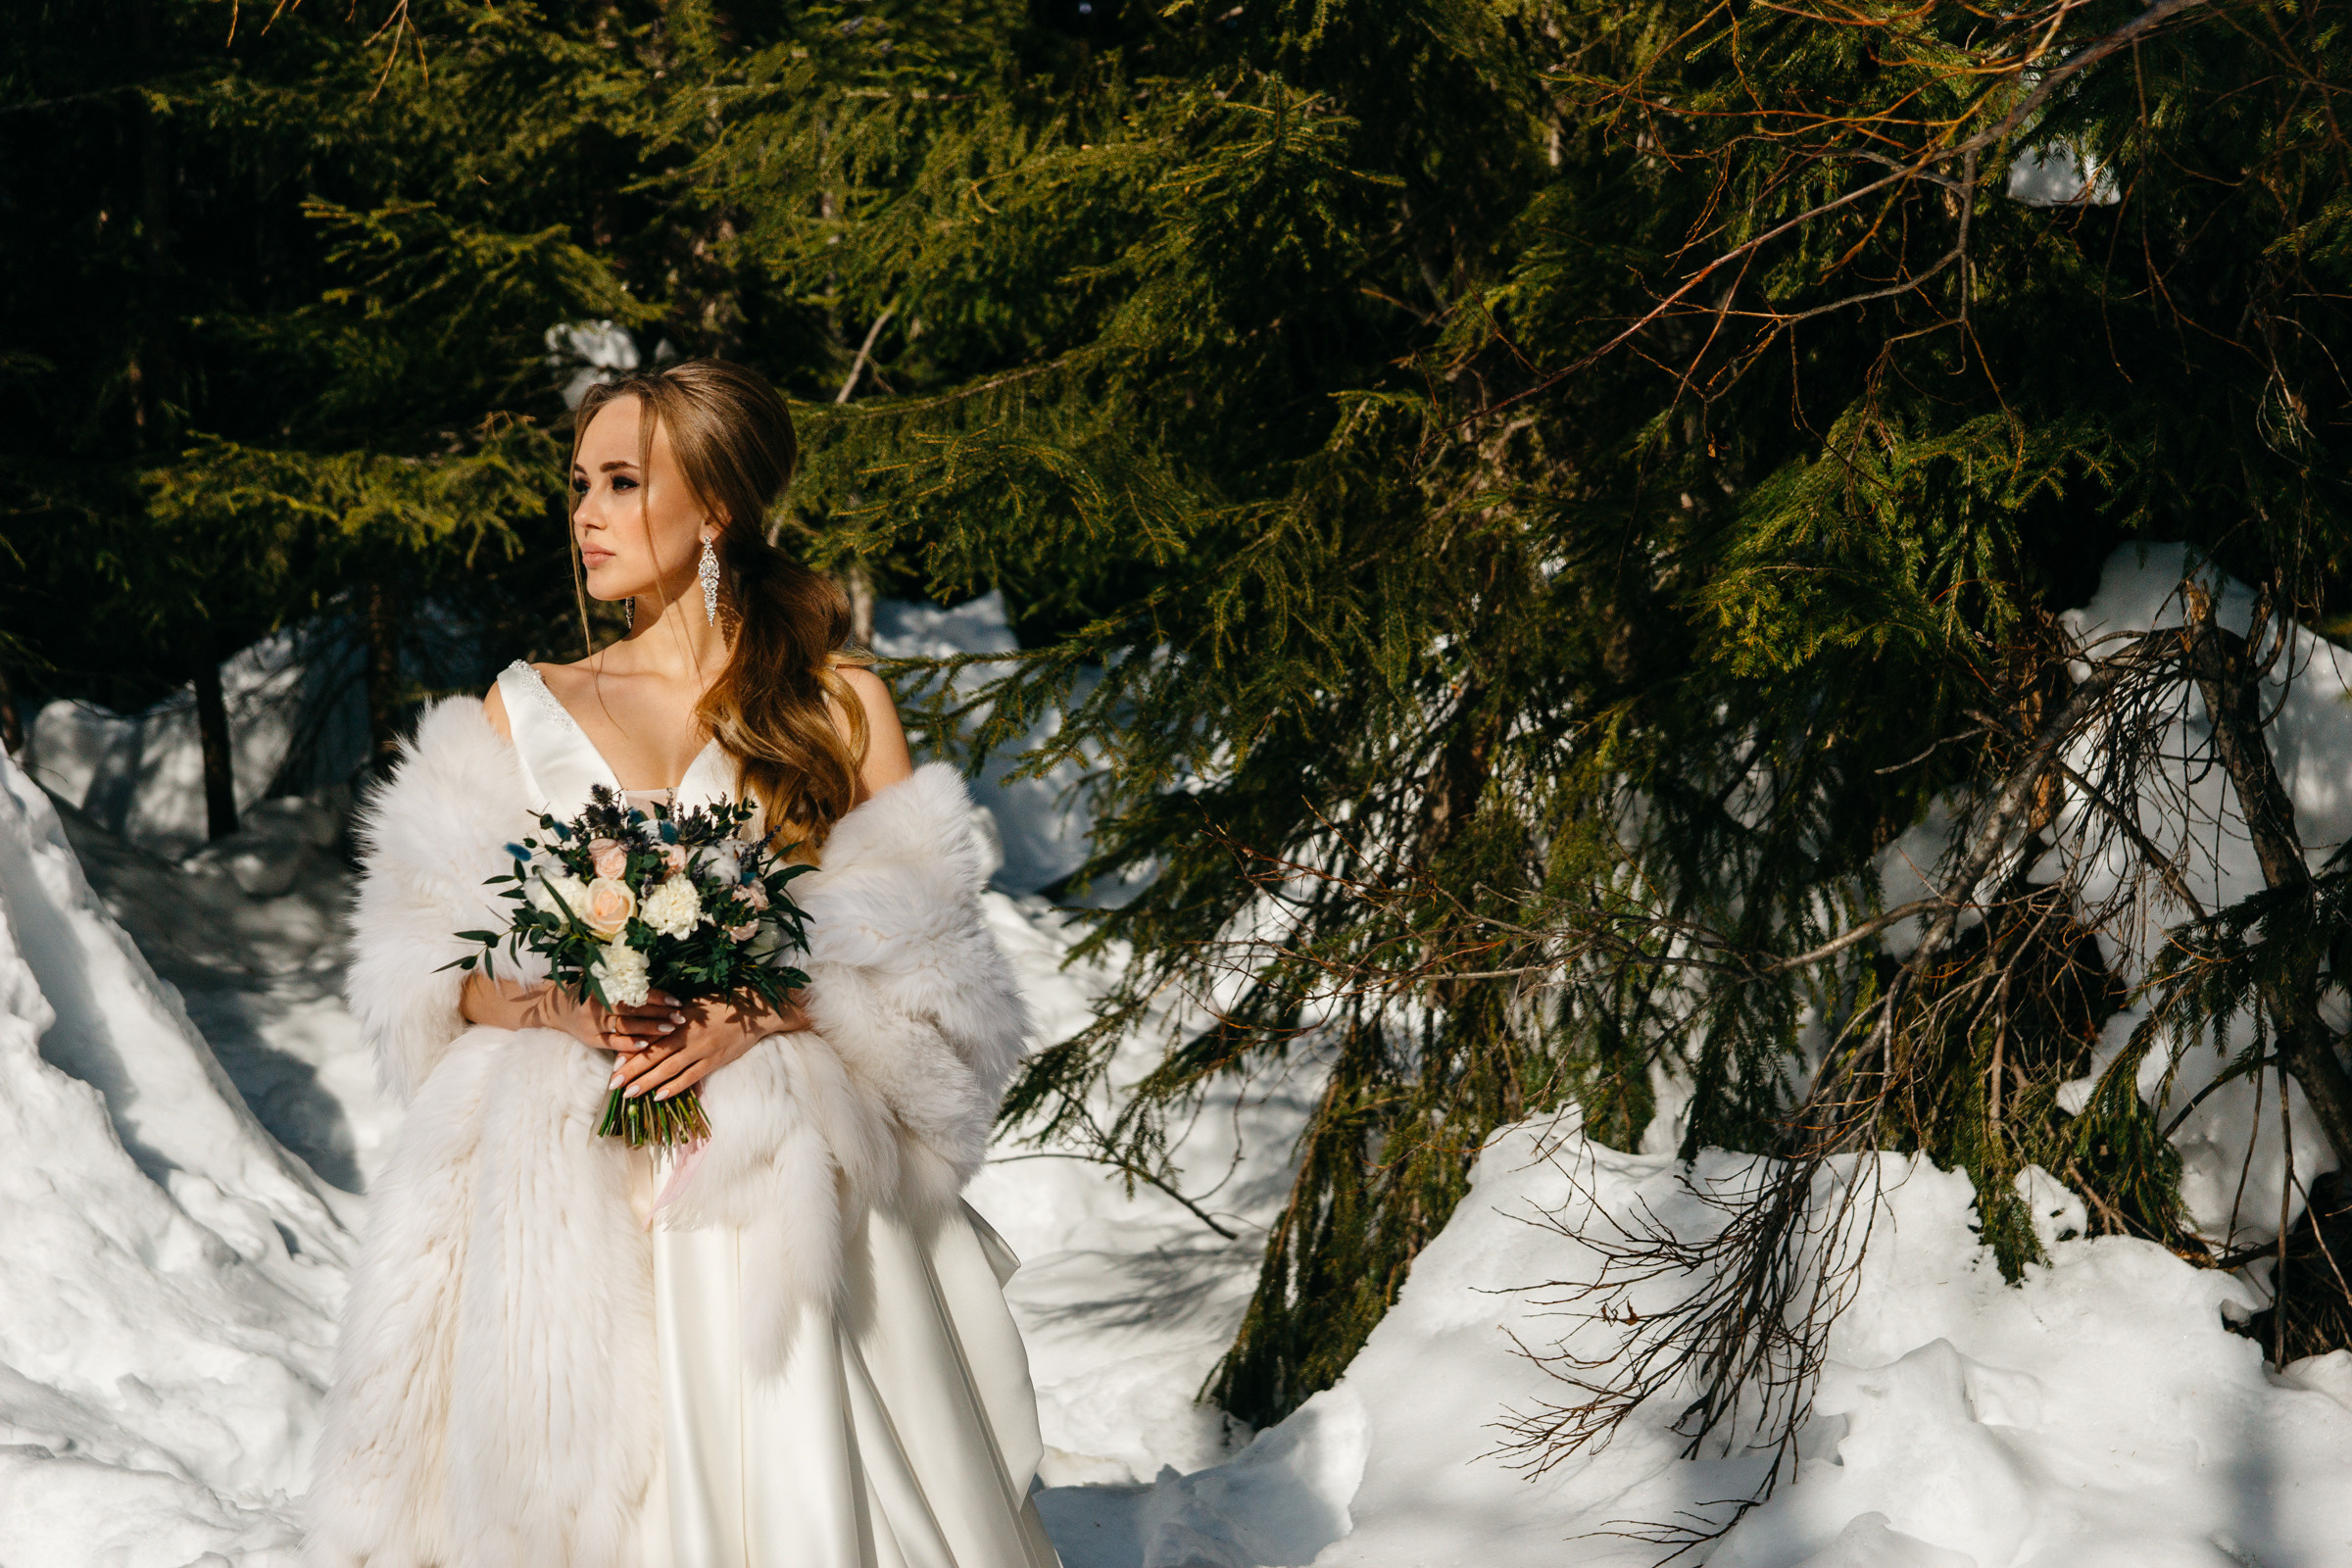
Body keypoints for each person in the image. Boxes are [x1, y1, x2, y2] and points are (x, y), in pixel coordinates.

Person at [306, 359, 1062, 1568]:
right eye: (578, 486)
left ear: (713, 508)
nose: (586, 515)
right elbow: (424, 960)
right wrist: (553, 1001)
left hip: (769, 1155)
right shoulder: (522, 704)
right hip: (564, 1156)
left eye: (620, 482)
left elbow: (934, 963)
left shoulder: (837, 699)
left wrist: (764, 1012)